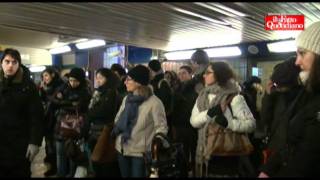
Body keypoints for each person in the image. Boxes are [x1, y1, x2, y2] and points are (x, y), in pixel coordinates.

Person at [259, 21, 320, 177]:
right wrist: (268, 169)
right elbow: (292, 143)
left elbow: (307, 156)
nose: (297, 61)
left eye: (302, 53)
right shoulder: (308, 94)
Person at [190, 61, 256, 177]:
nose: (204, 75)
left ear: (220, 75)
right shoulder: (201, 97)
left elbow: (251, 124)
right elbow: (194, 122)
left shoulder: (234, 97)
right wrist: (209, 113)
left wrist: (229, 124)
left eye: (208, 73)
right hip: (204, 152)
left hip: (226, 153)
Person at [111, 65, 168, 177]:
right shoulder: (127, 99)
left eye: (128, 79)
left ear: (138, 82)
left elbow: (161, 127)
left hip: (140, 152)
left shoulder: (154, 102)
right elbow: (118, 118)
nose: (125, 82)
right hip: (122, 148)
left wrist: (156, 141)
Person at [0, 48, 44, 177]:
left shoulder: (28, 87)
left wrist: (35, 142)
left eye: (14, 62)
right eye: (7, 61)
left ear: (19, 64)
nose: (10, 66)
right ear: (1, 63)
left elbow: (36, 116)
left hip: (20, 145)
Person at [259, 57, 301, 165]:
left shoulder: (304, 98)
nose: (277, 86)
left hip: (295, 155)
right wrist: (268, 96)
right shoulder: (277, 95)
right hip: (276, 150)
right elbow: (264, 120)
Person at [53, 67, 91, 177]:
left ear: (81, 80)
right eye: (70, 80)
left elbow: (81, 105)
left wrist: (62, 101)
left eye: (76, 81)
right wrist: (69, 103)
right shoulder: (63, 87)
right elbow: (53, 100)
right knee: (60, 153)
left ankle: (71, 174)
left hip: (75, 128)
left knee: (72, 153)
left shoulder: (85, 91)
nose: (72, 83)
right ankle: (61, 174)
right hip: (61, 126)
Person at [85, 68, 121, 177]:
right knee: (96, 159)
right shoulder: (98, 92)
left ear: (108, 78)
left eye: (101, 78)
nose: (98, 80)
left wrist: (91, 112)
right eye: (97, 78)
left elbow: (105, 111)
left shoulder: (111, 92)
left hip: (104, 131)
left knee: (103, 159)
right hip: (95, 131)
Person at [171, 65, 198, 177]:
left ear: (190, 74)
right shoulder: (177, 88)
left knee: (194, 152)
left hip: (192, 126)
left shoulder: (195, 88)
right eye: (179, 73)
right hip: (180, 125)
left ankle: (195, 172)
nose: (181, 75)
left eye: (184, 73)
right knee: (182, 152)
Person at [39, 67, 64, 176]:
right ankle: (50, 162)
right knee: (49, 144)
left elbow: (59, 102)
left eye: (46, 75)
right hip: (47, 120)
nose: (44, 78)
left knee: (54, 146)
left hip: (57, 120)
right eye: (43, 76)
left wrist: (48, 97)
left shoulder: (60, 87)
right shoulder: (45, 88)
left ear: (52, 75)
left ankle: (55, 169)